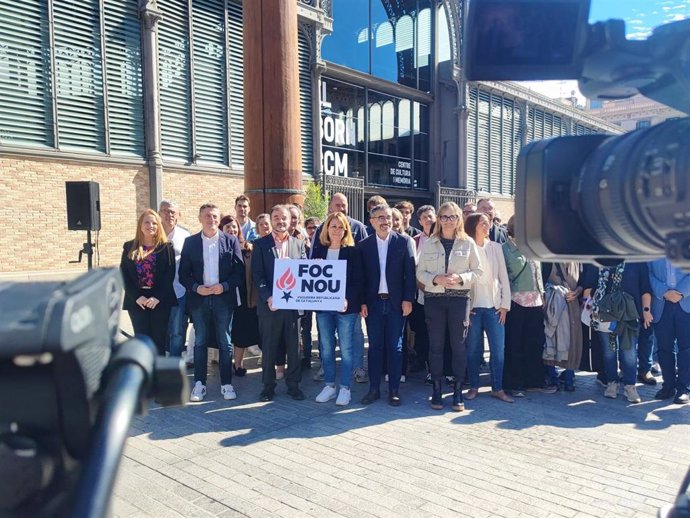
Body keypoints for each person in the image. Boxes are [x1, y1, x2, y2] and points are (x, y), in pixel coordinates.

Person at [417, 202, 482, 411]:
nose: (448, 221)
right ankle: (436, 390)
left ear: (458, 219)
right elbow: (420, 273)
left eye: (452, 216)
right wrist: (436, 279)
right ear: (439, 219)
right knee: (436, 346)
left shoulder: (468, 243)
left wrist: (460, 278)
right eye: (444, 217)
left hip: (459, 300)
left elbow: (478, 272)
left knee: (458, 346)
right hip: (434, 300)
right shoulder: (429, 243)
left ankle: (457, 391)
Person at [179, 204, 245, 402]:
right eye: (207, 216)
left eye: (215, 216)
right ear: (200, 218)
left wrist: (224, 286)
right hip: (199, 299)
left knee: (225, 342)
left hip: (223, 299)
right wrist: (195, 287)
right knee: (200, 342)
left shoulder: (231, 241)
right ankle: (200, 384)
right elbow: (183, 274)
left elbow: (239, 273)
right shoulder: (190, 242)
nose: (212, 220)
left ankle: (226, 384)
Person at [358, 205, 416, 406]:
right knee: (375, 347)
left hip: (396, 305)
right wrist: (362, 302)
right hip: (373, 305)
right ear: (372, 221)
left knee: (395, 347)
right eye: (380, 217)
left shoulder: (404, 242)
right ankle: (374, 390)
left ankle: (394, 390)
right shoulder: (364, 245)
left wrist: (408, 299)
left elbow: (410, 274)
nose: (385, 221)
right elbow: (361, 278)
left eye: (389, 217)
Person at [310, 192, 369, 384]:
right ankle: (328, 380)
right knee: (326, 347)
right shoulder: (319, 246)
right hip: (324, 307)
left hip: (347, 307)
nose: (336, 229)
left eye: (340, 227)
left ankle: (349, 380)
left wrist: (352, 301)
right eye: (337, 205)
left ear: (346, 230)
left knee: (349, 344)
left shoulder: (354, 245)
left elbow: (359, 279)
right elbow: (309, 272)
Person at [252, 204, 307, 402]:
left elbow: (303, 273)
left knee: (293, 348)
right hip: (270, 306)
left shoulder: (298, 244)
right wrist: (268, 296)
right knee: (269, 348)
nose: (280, 221)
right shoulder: (260, 244)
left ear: (290, 220)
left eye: (284, 217)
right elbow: (257, 275)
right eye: (276, 217)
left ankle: (293, 385)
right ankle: (268, 387)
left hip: (292, 307)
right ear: (271, 219)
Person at [581, 261, 653, 404]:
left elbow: (645, 288)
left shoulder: (637, 261)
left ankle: (630, 387)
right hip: (604, 314)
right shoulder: (599, 259)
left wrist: (646, 311)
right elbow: (589, 285)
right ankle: (612, 383)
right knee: (609, 351)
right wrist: (587, 307)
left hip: (630, 314)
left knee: (629, 352)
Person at [463, 212, 513, 403]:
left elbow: (503, 278)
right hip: (474, 308)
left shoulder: (496, 248)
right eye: (483, 223)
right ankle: (474, 387)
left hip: (494, 307)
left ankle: (497, 388)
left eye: (489, 223)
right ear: (474, 225)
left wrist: (505, 306)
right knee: (473, 350)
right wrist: (466, 307)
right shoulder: (466, 247)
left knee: (498, 350)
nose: (487, 226)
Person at [502, 216, 554, 397]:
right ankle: (514, 384)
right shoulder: (504, 249)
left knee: (534, 343)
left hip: (536, 301)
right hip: (515, 302)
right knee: (514, 344)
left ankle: (534, 381)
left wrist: (542, 294)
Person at [120, 209, 177, 356]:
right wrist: (137, 297)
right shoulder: (129, 246)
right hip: (137, 300)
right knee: (141, 341)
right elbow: (124, 274)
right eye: (147, 222)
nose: (150, 225)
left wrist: (157, 297)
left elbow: (169, 275)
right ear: (140, 225)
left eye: (154, 223)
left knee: (159, 341)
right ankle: (145, 376)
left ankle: (158, 375)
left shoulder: (167, 247)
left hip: (159, 300)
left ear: (158, 226)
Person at [219, 215, 259, 377]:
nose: (232, 229)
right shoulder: (218, 247)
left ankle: (238, 364)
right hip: (224, 295)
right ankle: (224, 363)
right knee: (224, 332)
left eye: (234, 226)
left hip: (244, 296)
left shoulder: (248, 248)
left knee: (241, 331)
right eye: (227, 227)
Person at [649, 258, 690, 404]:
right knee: (664, 348)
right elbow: (649, 274)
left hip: (685, 303)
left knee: (686, 348)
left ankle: (684, 388)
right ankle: (668, 386)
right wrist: (664, 292)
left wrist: (680, 292)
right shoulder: (653, 247)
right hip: (661, 304)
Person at [541, 262, 583, 392]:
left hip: (566, 305)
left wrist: (576, 292)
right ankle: (560, 379)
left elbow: (584, 279)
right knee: (555, 339)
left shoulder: (577, 258)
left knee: (565, 340)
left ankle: (562, 379)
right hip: (559, 303)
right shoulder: (549, 257)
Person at [159, 200, 191, 358]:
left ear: (178, 216)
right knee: (159, 330)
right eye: (165, 211)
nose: (169, 214)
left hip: (179, 290)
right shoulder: (152, 233)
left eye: (172, 212)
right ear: (159, 213)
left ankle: (174, 365)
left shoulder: (185, 236)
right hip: (156, 293)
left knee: (177, 332)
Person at [410, 205, 437, 378]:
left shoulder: (444, 238)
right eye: (425, 217)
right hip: (420, 295)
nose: (428, 219)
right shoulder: (415, 240)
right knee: (421, 333)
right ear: (419, 221)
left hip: (439, 296)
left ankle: (435, 369)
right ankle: (422, 362)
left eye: (431, 216)